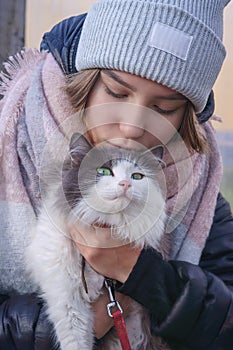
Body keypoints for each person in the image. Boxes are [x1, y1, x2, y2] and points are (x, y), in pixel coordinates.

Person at [0, 1, 233, 349]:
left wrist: (142, 273)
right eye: (116, 92)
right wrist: (78, 324)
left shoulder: (201, 194)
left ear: (186, 115)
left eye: (162, 108)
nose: (131, 127)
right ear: (85, 81)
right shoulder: (11, 148)